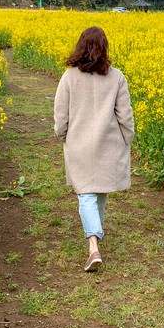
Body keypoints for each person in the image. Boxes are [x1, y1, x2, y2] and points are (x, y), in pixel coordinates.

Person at [53, 27, 134, 272]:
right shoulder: (117, 76)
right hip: (108, 144)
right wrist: (127, 139)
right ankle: (95, 238)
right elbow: (125, 115)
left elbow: (61, 113)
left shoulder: (69, 77)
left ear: (81, 47)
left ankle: (93, 247)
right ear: (104, 49)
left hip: (79, 144)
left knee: (87, 193)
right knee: (97, 191)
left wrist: (62, 134)